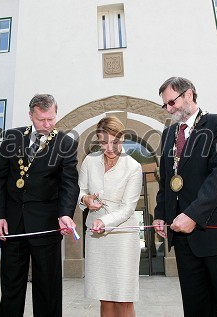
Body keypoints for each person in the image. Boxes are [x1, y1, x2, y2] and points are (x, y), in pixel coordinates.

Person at [152, 77, 217, 317]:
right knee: (196, 309)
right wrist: (160, 214)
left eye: (171, 102)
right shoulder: (167, 135)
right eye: (165, 105)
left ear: (189, 95)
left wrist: (193, 215)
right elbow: (166, 181)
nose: (169, 108)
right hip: (184, 240)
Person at [0, 93, 79, 317]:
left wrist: (65, 214)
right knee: (11, 288)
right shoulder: (12, 138)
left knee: (47, 289)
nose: (47, 125)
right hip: (13, 226)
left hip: (47, 225)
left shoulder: (65, 143)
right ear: (31, 115)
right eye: (41, 120)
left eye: (51, 119)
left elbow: (69, 184)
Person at [79, 116, 142, 317]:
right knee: (104, 296)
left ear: (122, 138)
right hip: (96, 238)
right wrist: (86, 200)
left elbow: (127, 209)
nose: (109, 147)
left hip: (123, 236)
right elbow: (80, 192)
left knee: (123, 298)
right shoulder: (89, 161)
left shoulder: (133, 167)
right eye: (103, 142)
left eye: (115, 141)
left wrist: (103, 221)